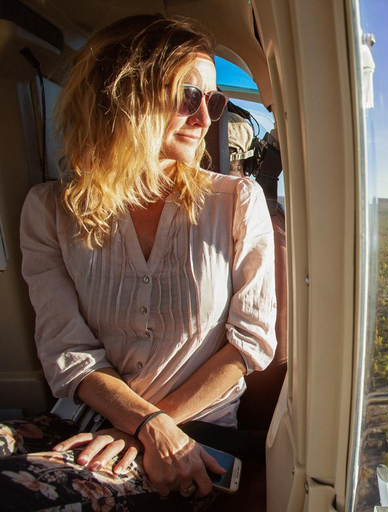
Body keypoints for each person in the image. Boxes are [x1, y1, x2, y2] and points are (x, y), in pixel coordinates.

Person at [0, 14, 277, 510]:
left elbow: (249, 344)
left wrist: (155, 430)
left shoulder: (236, 201)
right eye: (189, 96)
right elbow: (68, 351)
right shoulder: (48, 211)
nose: (205, 118)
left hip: (194, 435)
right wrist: (143, 424)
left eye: (213, 101)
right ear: (123, 94)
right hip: (81, 422)